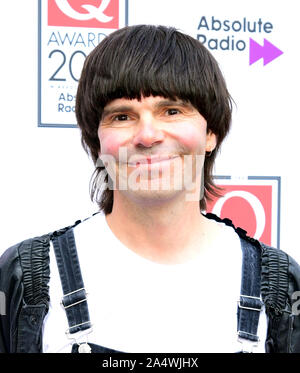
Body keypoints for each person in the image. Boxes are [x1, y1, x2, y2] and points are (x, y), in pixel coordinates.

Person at [0, 24, 300, 354]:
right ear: (97, 140)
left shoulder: (280, 289)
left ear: (210, 132)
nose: (147, 136)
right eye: (122, 116)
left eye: (171, 111)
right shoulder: (25, 280)